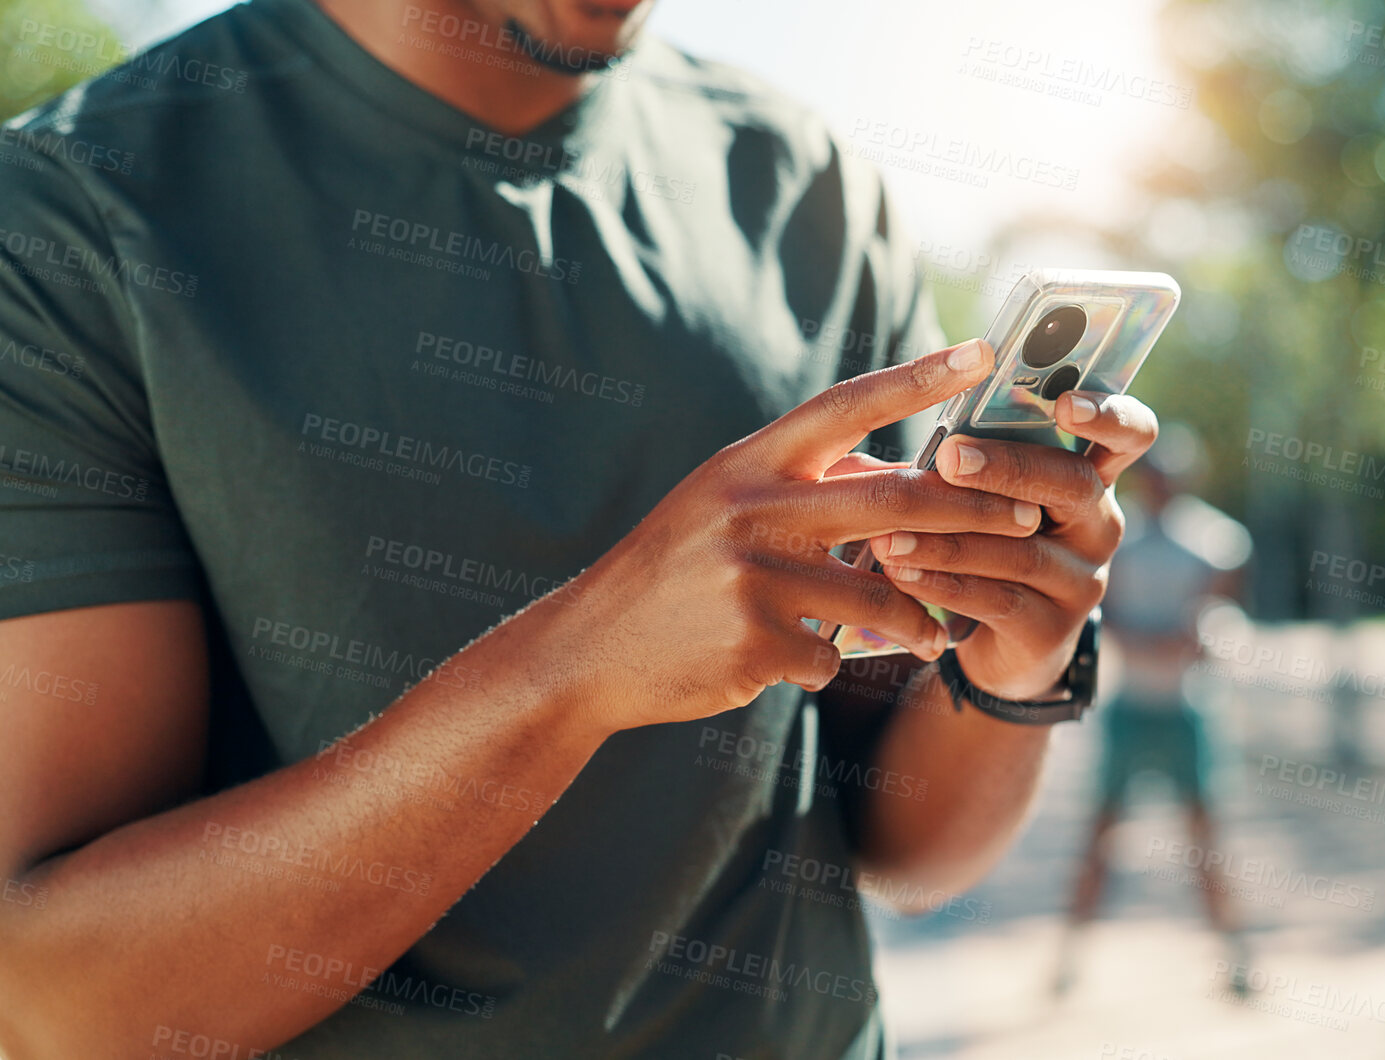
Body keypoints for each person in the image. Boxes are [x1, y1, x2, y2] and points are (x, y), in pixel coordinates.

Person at [0, 2, 1160, 1056]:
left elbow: (903, 851)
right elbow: (61, 1002)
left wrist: (1018, 663)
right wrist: (577, 669)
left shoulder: (805, 184)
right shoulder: (73, 213)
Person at [1053, 424, 1253, 997]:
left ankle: (1236, 960)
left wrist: (1173, 641)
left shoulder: (1217, 539)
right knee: (1101, 835)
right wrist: (1156, 642)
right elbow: (1107, 612)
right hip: (1134, 704)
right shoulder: (1122, 535)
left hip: (1188, 706)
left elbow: (1215, 616)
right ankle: (1068, 959)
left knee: (1205, 837)